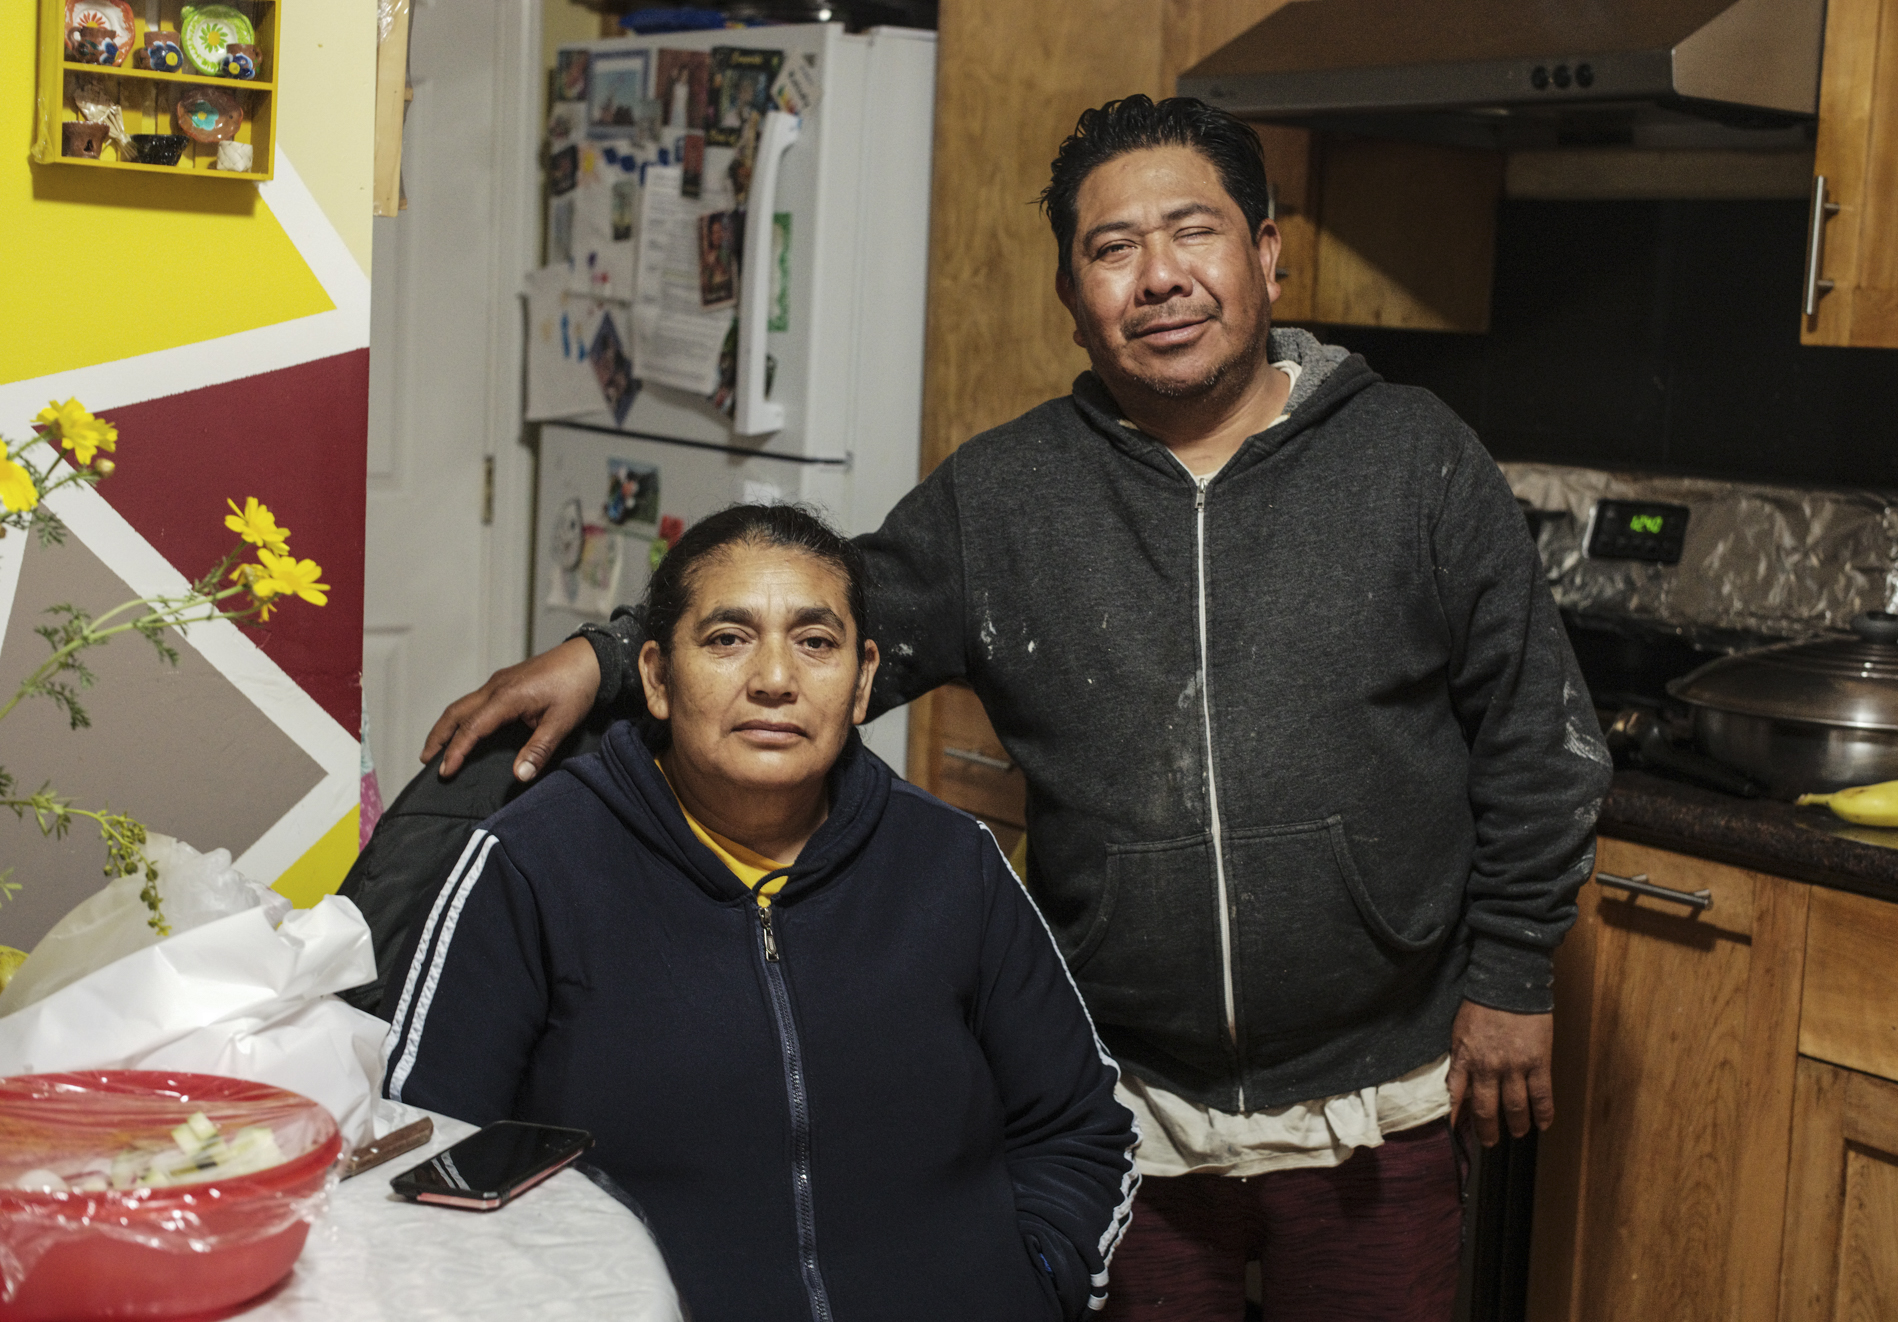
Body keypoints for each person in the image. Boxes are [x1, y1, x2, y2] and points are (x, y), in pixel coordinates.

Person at [425, 96, 1612, 1319]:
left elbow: (1536, 731)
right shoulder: (1005, 495)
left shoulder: (1412, 458)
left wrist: (1514, 969)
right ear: (1070, 294)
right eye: (1110, 250)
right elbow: (810, 619)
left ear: (1265, 251)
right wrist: (611, 654)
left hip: (1377, 1103)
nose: (1157, 277)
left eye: (1190, 233)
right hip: (1125, 1104)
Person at [385, 504, 1140, 1322]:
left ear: (861, 681)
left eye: (816, 642)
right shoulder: (532, 866)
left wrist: (1033, 1280)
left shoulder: (953, 864)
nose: (775, 679)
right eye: (726, 639)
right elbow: (436, 1161)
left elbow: (1082, 1125)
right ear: (656, 678)